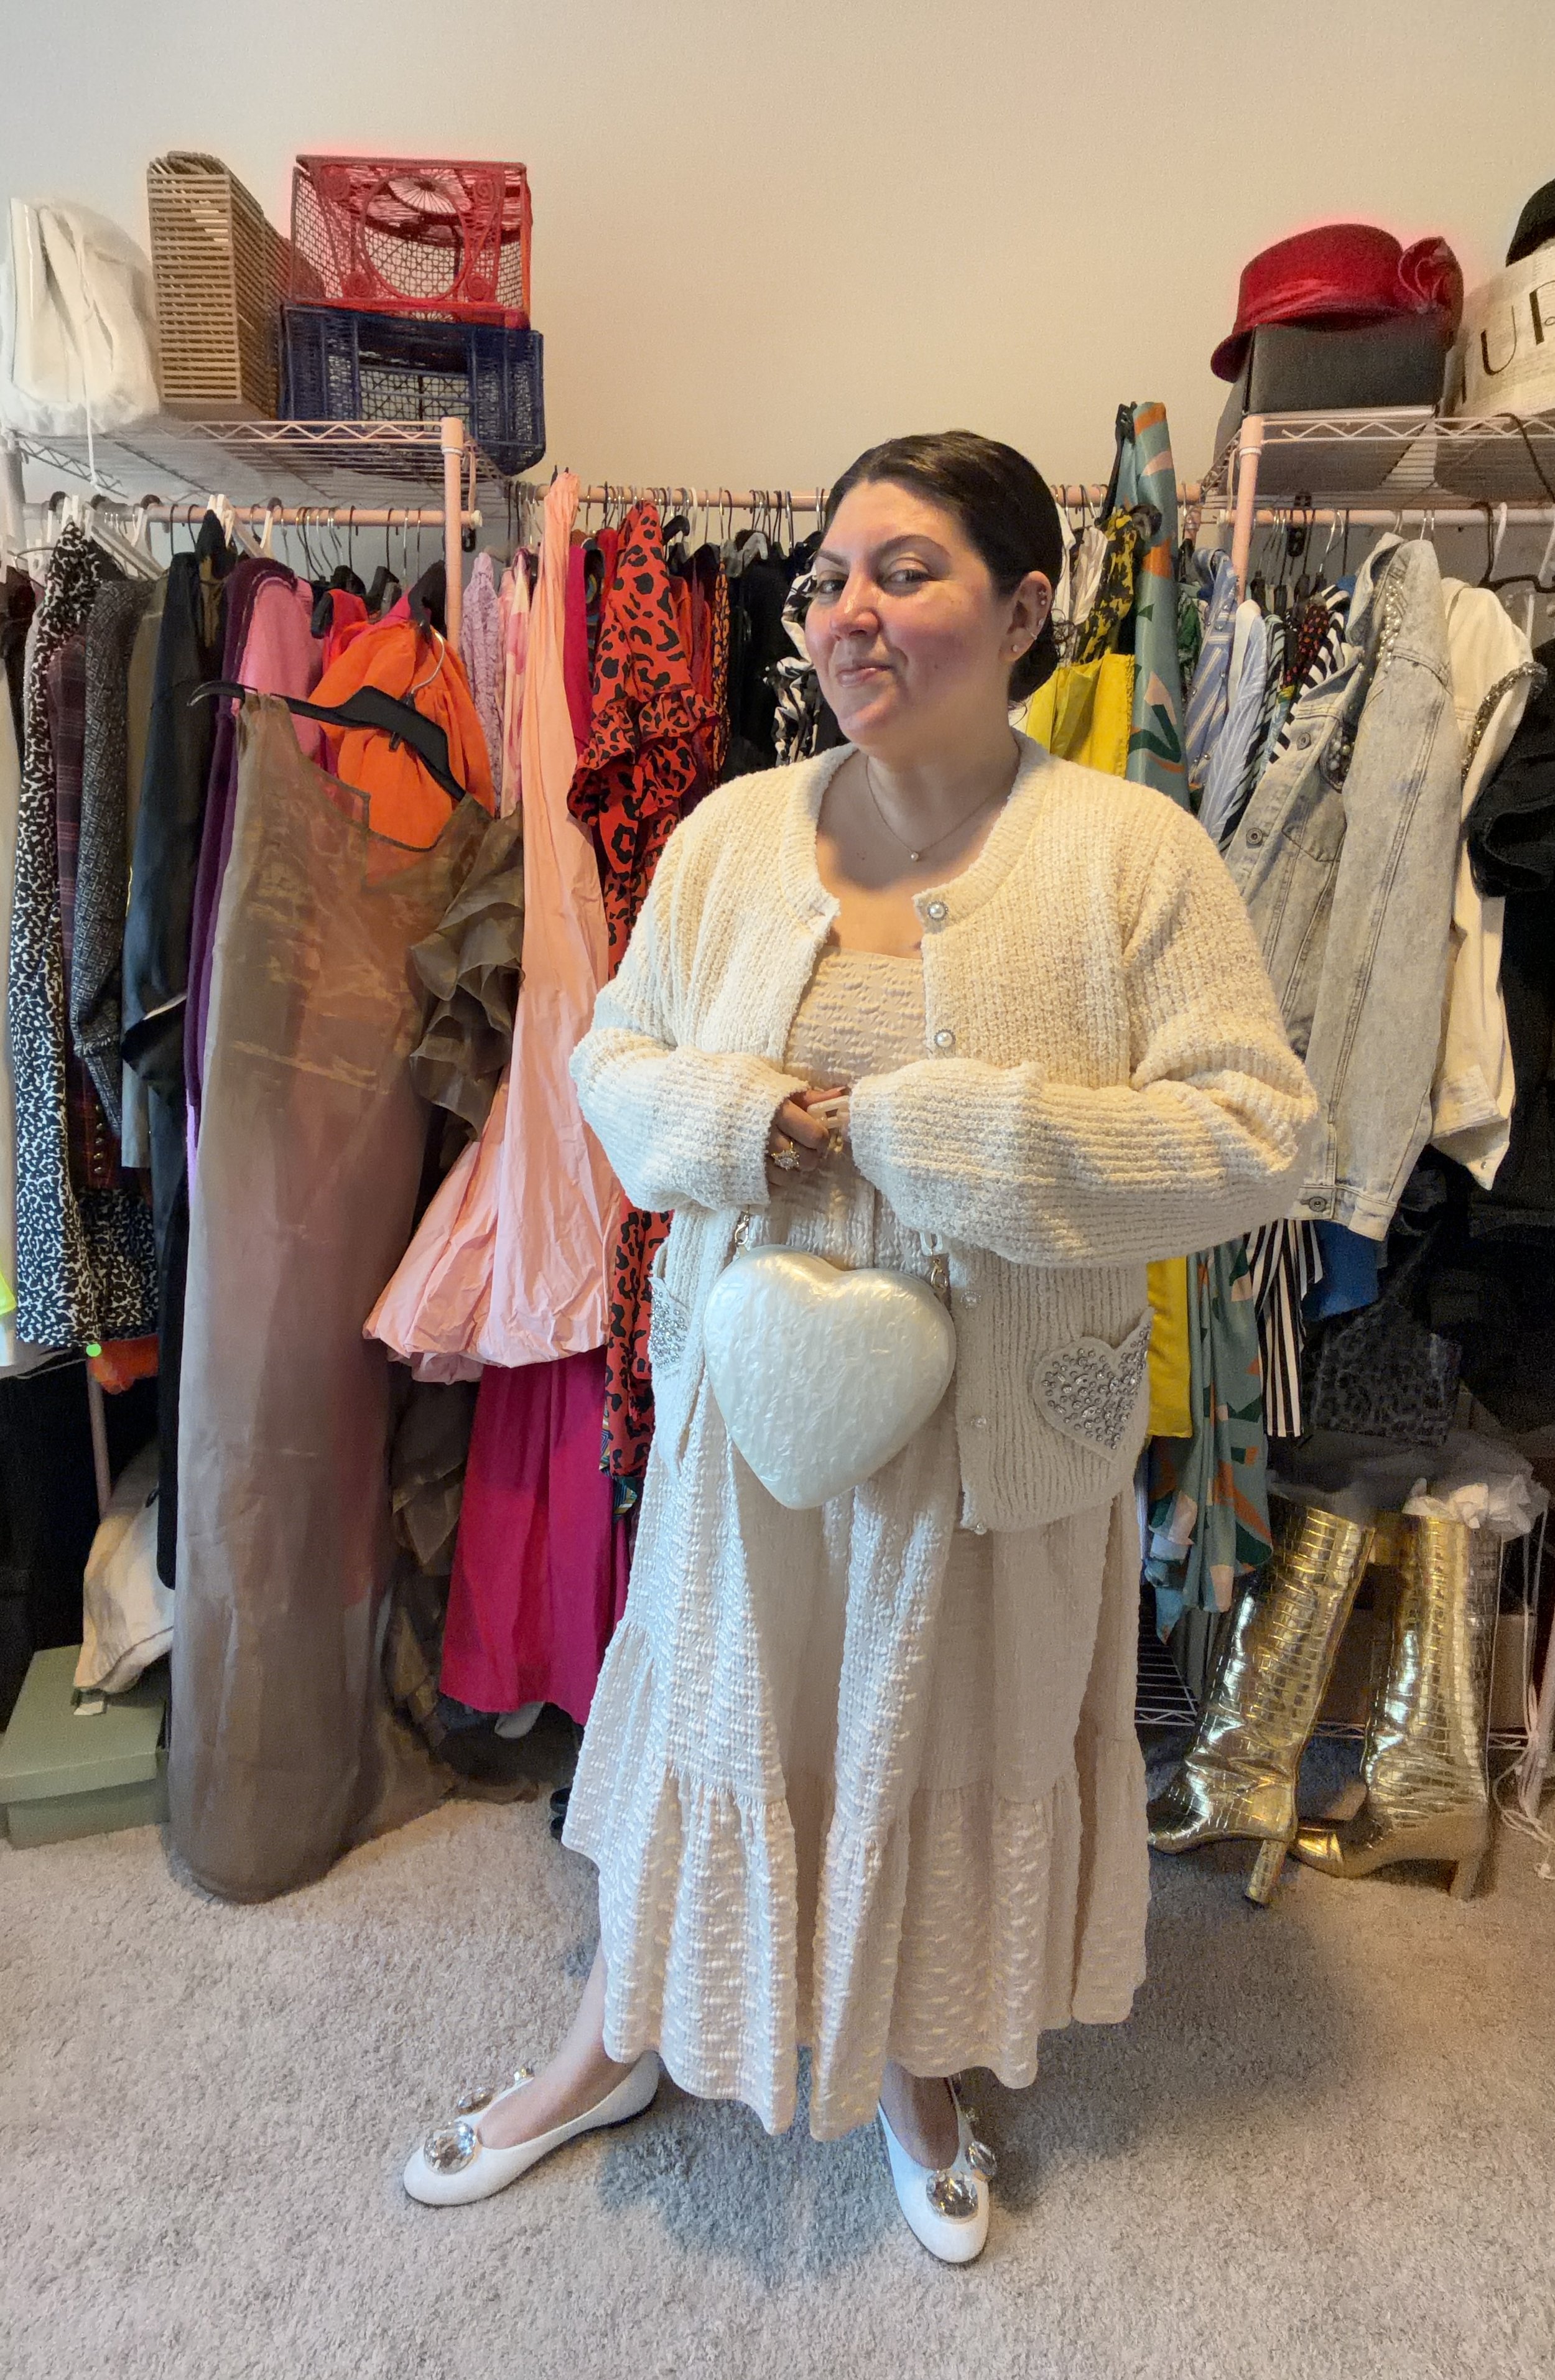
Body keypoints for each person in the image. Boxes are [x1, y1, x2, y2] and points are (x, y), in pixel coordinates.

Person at [402, 432, 1316, 2262]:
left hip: (1001, 1424)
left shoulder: (1129, 851)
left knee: (933, 1730)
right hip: (759, 1391)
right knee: (727, 1707)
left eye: (902, 569)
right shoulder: (738, 832)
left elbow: (1255, 1134)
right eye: (828, 578)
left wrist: (960, 1135)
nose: (842, 611)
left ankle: (912, 2062)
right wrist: (745, 1117)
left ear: (1028, 603)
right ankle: (612, 2041)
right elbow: (612, 1067)